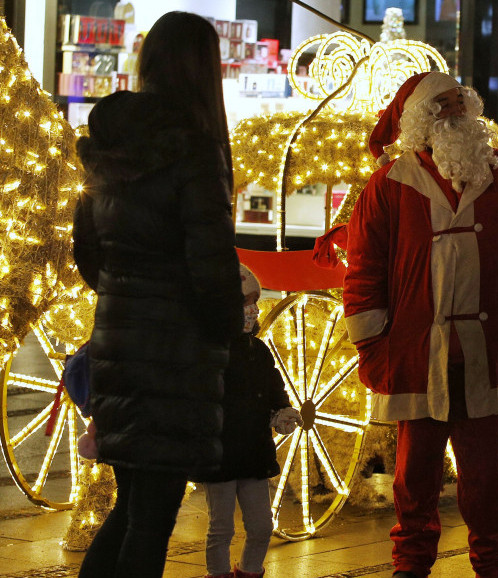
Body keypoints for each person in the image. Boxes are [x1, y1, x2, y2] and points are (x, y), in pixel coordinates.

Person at [341, 71, 498, 578]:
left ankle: (494, 568)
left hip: (489, 353)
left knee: (488, 482)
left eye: (461, 100)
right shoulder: (390, 184)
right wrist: (372, 347)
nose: (456, 111)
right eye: (442, 103)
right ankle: (410, 567)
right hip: (417, 355)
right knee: (412, 481)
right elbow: (364, 270)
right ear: (419, 117)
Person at [72, 11, 244, 578]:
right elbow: (213, 269)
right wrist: (230, 328)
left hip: (119, 347)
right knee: (150, 520)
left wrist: (127, 291)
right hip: (175, 359)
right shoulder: (195, 151)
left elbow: (88, 252)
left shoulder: (112, 143)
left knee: (133, 510)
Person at [195, 265, 304, 578]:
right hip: (221, 457)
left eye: (254, 304)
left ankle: (249, 570)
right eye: (244, 305)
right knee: (221, 529)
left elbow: (273, 388)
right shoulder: (208, 354)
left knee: (261, 526)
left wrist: (281, 411)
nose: (253, 311)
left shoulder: (259, 350)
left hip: (254, 453)